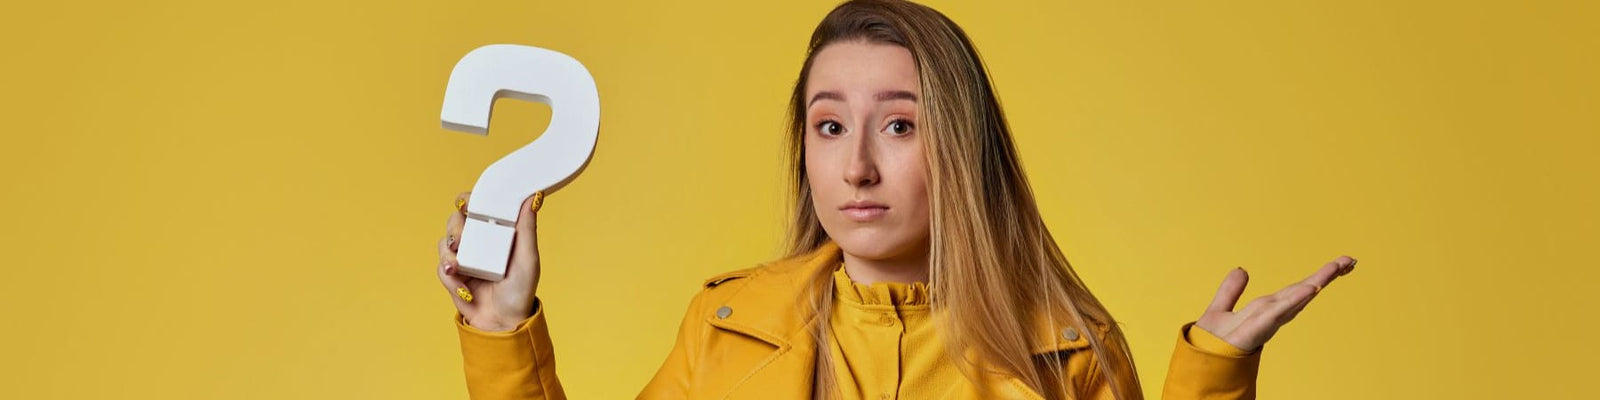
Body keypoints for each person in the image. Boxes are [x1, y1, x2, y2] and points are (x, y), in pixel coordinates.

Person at [433, 1, 1357, 399]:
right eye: (829, 127)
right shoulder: (726, 325)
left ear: (959, 146)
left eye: (901, 127)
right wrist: (506, 328)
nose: (858, 167)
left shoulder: (1066, 346)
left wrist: (1213, 377)